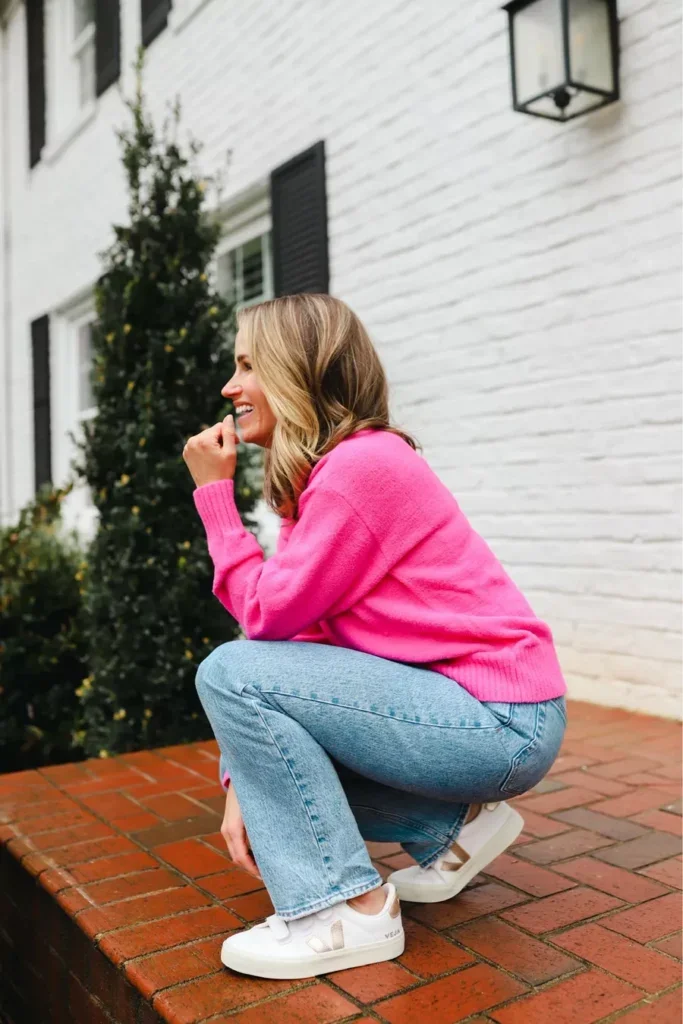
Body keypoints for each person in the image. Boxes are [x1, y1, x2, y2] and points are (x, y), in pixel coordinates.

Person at [183, 293, 567, 981]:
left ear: (297, 370)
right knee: (280, 773)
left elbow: (263, 623)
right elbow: (297, 641)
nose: (229, 386)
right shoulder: (327, 478)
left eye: (247, 365)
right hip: (476, 713)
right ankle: (451, 825)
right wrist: (243, 774)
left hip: (496, 717)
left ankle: (346, 911)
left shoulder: (361, 468)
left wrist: (215, 497)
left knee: (225, 671)